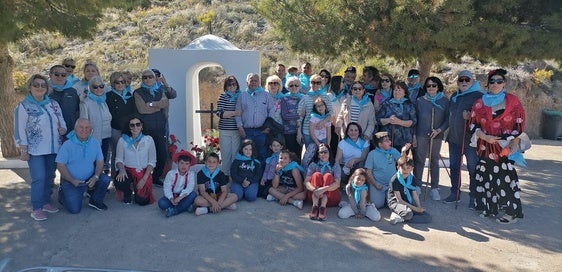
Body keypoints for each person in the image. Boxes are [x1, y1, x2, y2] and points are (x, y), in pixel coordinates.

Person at [470, 68, 526, 224]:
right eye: (492, 81)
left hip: (504, 148)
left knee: (505, 179)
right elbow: (473, 125)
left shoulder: (512, 101)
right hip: (485, 147)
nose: (495, 84)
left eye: (499, 81)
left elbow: (519, 125)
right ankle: (489, 208)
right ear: (488, 85)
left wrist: (513, 144)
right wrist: (485, 137)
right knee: (486, 177)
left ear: (504, 83)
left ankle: (511, 213)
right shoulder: (480, 103)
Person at [14, 74, 67, 221]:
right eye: (36, 85)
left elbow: (61, 120)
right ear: (30, 87)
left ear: (47, 88)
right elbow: (19, 130)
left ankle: (45, 201)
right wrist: (23, 149)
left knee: (50, 176)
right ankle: (36, 207)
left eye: (43, 85)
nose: (40, 87)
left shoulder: (53, 104)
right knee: (39, 177)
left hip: (53, 148)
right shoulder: (23, 106)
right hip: (35, 150)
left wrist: (63, 128)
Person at [443, 70, 483, 206]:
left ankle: (474, 196)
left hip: (470, 140)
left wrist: (471, 116)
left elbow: (484, 117)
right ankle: (455, 193)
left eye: (467, 80)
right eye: (461, 80)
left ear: (472, 81)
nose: (464, 82)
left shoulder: (479, 96)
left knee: (473, 168)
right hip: (454, 138)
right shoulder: (455, 96)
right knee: (454, 167)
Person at [56, 119, 110, 213]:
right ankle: (62, 193)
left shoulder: (95, 143)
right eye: (81, 127)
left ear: (91, 130)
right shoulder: (67, 145)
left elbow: (100, 162)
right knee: (74, 210)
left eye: (87, 127)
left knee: (105, 179)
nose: (84, 130)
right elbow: (60, 165)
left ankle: (95, 200)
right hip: (71, 181)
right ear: (75, 129)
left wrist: (96, 177)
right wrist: (72, 180)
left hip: (89, 179)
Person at [413, 76, 450, 201]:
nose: (431, 88)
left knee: (434, 160)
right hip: (421, 134)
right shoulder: (420, 101)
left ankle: (434, 187)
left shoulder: (444, 101)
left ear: (438, 87)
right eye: (428, 86)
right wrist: (414, 135)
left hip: (437, 135)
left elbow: (448, 119)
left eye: (434, 85)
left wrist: (439, 130)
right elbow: (415, 119)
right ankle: (417, 185)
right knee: (419, 160)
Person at [134, 69, 170, 186]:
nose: (148, 79)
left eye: (150, 77)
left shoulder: (160, 90)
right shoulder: (138, 92)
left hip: (160, 126)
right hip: (146, 127)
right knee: (145, 153)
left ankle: (156, 177)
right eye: (145, 77)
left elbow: (165, 103)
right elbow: (142, 109)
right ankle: (144, 177)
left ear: (155, 78)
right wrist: (157, 105)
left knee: (162, 153)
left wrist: (151, 104)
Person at [114, 116, 156, 205]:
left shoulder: (148, 140)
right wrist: (121, 170)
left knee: (142, 201)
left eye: (138, 124)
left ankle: (137, 190)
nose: (135, 127)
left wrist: (144, 179)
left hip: (143, 172)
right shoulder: (122, 140)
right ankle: (127, 192)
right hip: (128, 171)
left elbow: (152, 161)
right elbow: (118, 159)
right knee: (120, 180)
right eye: (132, 125)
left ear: (142, 126)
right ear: (128, 127)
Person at [235, 73, 275, 162]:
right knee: (246, 155)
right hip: (247, 131)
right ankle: (247, 175)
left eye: (255, 80)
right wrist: (240, 127)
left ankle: (261, 175)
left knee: (262, 154)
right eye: (251, 80)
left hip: (262, 131)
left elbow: (271, 111)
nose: (253, 82)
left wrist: (268, 127)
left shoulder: (266, 95)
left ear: (259, 82)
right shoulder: (242, 95)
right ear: (247, 82)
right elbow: (238, 112)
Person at [365, 132, 410, 209]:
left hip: (392, 184)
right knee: (377, 205)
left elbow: (403, 162)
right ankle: (385, 199)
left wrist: (403, 152)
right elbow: (368, 172)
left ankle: (388, 198)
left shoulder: (393, 150)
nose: (390, 142)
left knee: (398, 202)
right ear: (380, 144)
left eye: (389, 140)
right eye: (386, 140)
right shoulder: (372, 154)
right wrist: (375, 184)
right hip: (378, 184)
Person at [298, 74, 333, 168]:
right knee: (310, 154)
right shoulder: (305, 97)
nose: (315, 85)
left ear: (321, 84)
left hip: (322, 130)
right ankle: (307, 173)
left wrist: (324, 121)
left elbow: (331, 112)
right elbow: (300, 115)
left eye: (318, 83)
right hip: (307, 130)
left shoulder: (325, 96)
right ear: (310, 83)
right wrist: (299, 132)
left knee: (322, 153)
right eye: (313, 82)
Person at [106, 72, 137, 177]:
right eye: (117, 82)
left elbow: (134, 111)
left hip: (129, 129)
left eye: (122, 82)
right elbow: (112, 114)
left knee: (128, 152)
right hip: (116, 128)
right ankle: (115, 176)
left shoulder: (129, 95)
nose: (120, 84)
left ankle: (128, 175)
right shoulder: (109, 96)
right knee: (116, 152)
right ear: (112, 83)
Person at [80, 76, 112, 173]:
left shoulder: (104, 101)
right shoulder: (85, 102)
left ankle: (100, 182)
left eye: (101, 86)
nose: (99, 89)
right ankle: (92, 184)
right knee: (93, 162)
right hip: (93, 137)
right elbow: (83, 122)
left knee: (102, 160)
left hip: (106, 135)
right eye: (95, 87)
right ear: (90, 87)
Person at [387, 155, 431, 225]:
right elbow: (399, 200)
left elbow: (414, 193)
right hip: (396, 203)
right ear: (398, 167)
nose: (406, 171)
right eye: (403, 168)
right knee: (408, 214)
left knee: (427, 217)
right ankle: (399, 215)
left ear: (412, 169)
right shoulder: (395, 180)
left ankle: (401, 217)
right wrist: (415, 209)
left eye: (408, 168)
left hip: (407, 201)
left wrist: (419, 207)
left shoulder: (411, 178)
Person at [304, 144, 342, 220]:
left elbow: (337, 184)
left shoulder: (335, 165)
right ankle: (315, 207)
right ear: (318, 155)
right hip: (315, 197)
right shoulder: (313, 165)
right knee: (316, 175)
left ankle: (322, 208)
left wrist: (323, 189)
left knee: (328, 176)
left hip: (331, 198)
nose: (323, 154)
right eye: (321, 152)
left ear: (329, 153)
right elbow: (306, 182)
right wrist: (315, 190)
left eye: (325, 152)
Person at [377, 80, 416, 151]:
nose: (397, 92)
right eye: (395, 90)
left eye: (399, 90)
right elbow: (378, 120)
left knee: (401, 161)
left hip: (404, 140)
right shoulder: (386, 103)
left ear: (405, 92)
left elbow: (413, 122)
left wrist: (399, 122)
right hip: (387, 140)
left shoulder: (409, 104)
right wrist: (388, 120)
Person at [158, 151, 198, 217]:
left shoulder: (191, 174)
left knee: (193, 194)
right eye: (182, 163)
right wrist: (171, 199)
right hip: (173, 195)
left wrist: (180, 198)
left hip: (183, 196)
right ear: (177, 163)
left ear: (190, 165)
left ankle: (175, 211)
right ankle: (185, 206)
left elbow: (189, 188)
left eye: (187, 164)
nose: (184, 166)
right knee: (161, 203)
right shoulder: (171, 174)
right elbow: (167, 188)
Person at [216, 75, 242, 177]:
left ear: (237, 85)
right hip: (225, 130)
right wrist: (235, 113)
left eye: (234, 84)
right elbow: (220, 114)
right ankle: (225, 175)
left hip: (237, 130)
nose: (232, 86)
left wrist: (231, 113)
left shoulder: (240, 96)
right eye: (229, 84)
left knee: (235, 155)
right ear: (226, 86)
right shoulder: (223, 96)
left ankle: (234, 176)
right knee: (226, 155)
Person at [48, 65, 80, 138]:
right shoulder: (44, 91)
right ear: (50, 75)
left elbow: (77, 111)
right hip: (51, 133)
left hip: (70, 132)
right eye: (56, 74)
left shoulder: (73, 91)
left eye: (63, 75)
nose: (60, 77)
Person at [301, 97, 331, 167]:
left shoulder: (327, 118)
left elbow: (328, 133)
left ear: (325, 106)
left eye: (322, 105)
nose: (320, 107)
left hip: (324, 141)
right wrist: (318, 143)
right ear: (315, 108)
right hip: (314, 141)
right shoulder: (313, 117)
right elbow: (311, 132)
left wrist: (328, 144)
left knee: (323, 157)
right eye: (318, 106)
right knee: (310, 158)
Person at [280, 77, 303, 156]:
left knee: (301, 154)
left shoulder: (304, 98)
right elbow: (285, 116)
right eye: (291, 85)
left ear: (299, 86)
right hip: (289, 131)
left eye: (296, 85)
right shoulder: (284, 98)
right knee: (291, 154)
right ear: (287, 87)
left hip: (302, 130)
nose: (294, 87)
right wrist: (298, 115)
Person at [262, 75, 285, 143]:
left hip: (278, 126)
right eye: (270, 83)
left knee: (278, 147)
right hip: (266, 127)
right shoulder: (263, 97)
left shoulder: (283, 98)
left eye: (275, 83)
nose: (273, 85)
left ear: (279, 85)